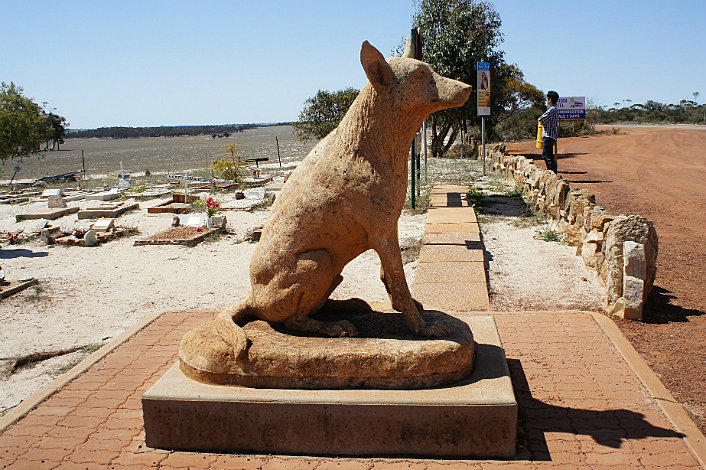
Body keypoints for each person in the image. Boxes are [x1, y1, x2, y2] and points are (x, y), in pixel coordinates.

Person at [538, 91, 559, 173]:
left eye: (547, 98)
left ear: (550, 99)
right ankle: (550, 172)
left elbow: (541, 119)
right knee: (545, 156)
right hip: (550, 136)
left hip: (548, 136)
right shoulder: (553, 110)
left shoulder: (552, 110)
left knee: (549, 157)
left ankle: (553, 174)